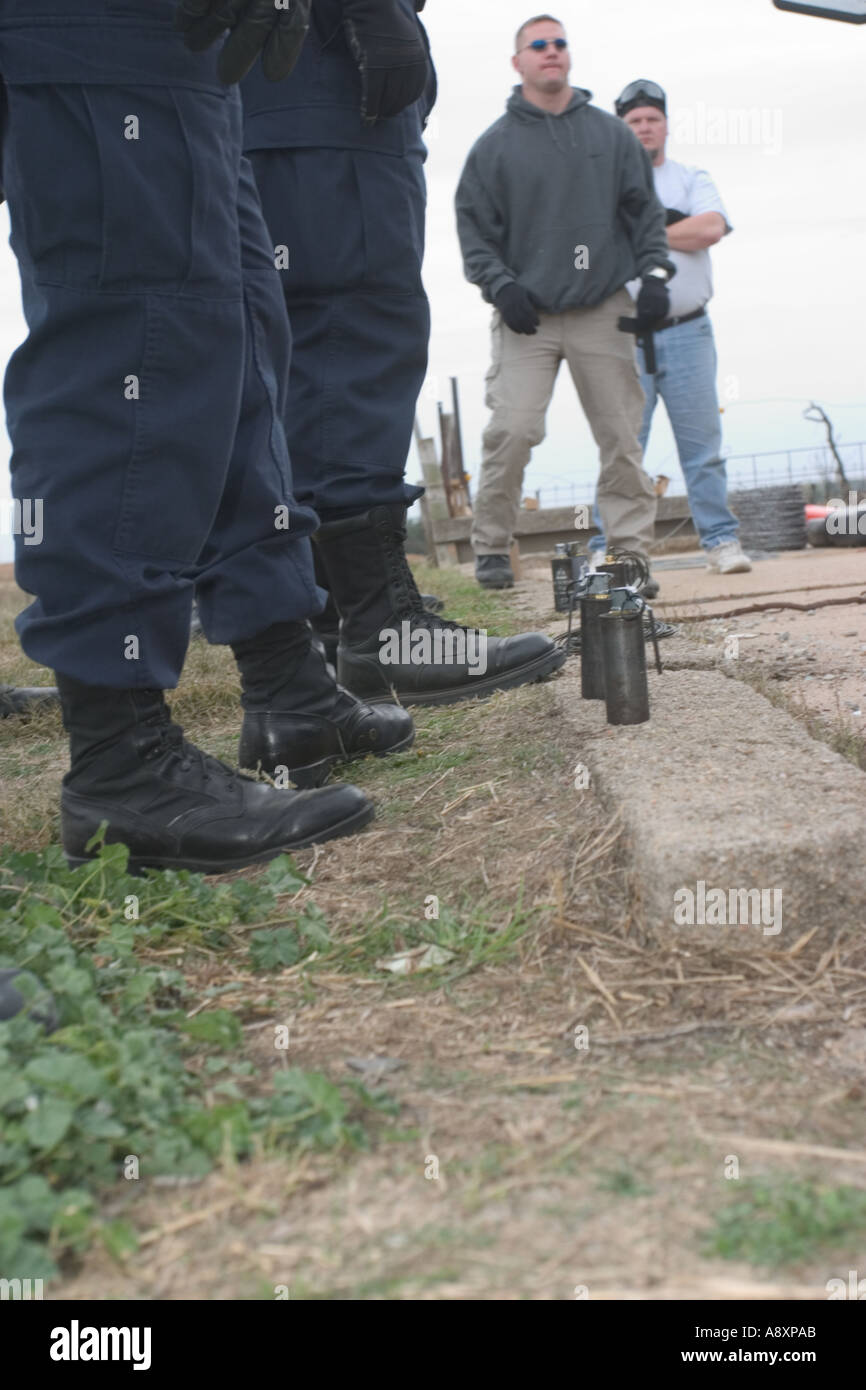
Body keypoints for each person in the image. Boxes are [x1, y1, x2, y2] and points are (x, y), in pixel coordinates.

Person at [0, 0, 434, 873]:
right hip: (97, 24)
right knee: (131, 330)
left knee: (233, 338)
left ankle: (286, 683)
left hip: (187, 46)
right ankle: (119, 760)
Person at [240, 0, 565, 706]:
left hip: (289, 77)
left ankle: (330, 619)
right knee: (352, 326)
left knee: (295, 343)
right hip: (323, 77)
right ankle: (381, 632)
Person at [455, 13, 675, 594]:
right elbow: (474, 232)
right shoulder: (493, 147)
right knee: (514, 428)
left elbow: (644, 213)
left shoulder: (611, 134)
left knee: (622, 437)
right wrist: (500, 285)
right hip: (527, 316)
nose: (551, 52)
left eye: (559, 43)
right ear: (518, 62)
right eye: (538, 45)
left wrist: (654, 275)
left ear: (568, 56)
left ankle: (629, 557)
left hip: (602, 308)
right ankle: (492, 547)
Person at [594, 79, 751, 574]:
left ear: (665, 124)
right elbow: (597, 248)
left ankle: (721, 541)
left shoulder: (690, 176)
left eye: (652, 119)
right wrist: (672, 230)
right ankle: (612, 548)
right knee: (622, 447)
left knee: (702, 448)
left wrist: (643, 235)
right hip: (623, 337)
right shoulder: (602, 185)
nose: (644, 128)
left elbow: (710, 228)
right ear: (621, 127)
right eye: (634, 121)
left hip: (688, 330)